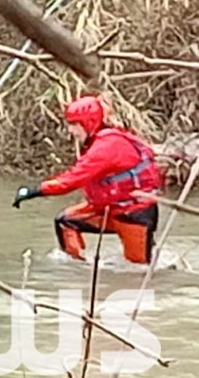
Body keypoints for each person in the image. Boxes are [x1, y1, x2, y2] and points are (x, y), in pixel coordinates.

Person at [12, 95, 165, 265]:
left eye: (74, 124)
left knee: (138, 270)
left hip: (134, 214)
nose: (70, 131)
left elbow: (72, 180)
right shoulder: (101, 142)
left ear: (88, 122)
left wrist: (34, 191)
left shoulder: (107, 146)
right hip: (110, 209)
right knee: (66, 221)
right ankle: (79, 267)